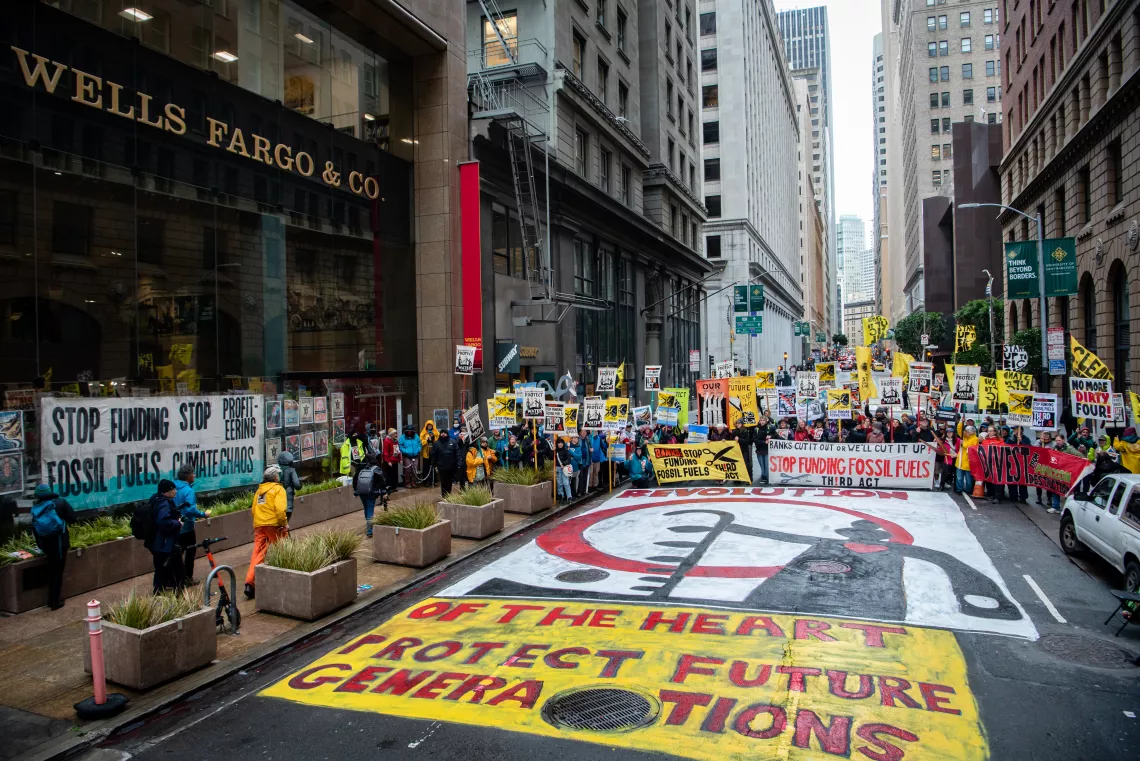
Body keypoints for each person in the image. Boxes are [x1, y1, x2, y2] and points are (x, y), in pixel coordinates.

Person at [29, 483, 77, 610]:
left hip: (45, 544)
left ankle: (51, 600)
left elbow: (35, 528)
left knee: (52, 570)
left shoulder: (36, 507)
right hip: (59, 542)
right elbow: (73, 518)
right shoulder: (60, 503)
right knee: (58, 571)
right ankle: (55, 601)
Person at [244, 466, 289, 599]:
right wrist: (284, 523)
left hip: (259, 525)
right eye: (278, 475)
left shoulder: (260, 491)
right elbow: (280, 510)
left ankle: (249, 583)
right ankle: (288, 578)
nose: (279, 477)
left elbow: (253, 509)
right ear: (275, 477)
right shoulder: (278, 489)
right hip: (274, 525)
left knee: (258, 554)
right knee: (284, 550)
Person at [174, 465, 210, 586]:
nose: (194, 476)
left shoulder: (172, 488)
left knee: (177, 554)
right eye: (193, 474)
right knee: (190, 553)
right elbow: (190, 510)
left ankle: (175, 579)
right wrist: (203, 514)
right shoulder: (188, 491)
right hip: (186, 528)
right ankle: (187, 578)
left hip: (173, 527)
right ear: (188, 476)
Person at [147, 480, 184, 594]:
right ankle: (176, 589)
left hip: (155, 542)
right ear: (166, 492)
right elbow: (163, 521)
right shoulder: (163, 504)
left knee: (160, 568)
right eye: (173, 489)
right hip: (165, 543)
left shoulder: (155, 499)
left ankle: (159, 589)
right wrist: (178, 523)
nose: (175, 491)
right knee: (175, 566)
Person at [353, 455, 385, 538]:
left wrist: (356, 492)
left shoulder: (360, 467)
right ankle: (369, 531)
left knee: (366, 508)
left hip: (361, 493)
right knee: (370, 510)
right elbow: (381, 481)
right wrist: (384, 492)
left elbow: (355, 480)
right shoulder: (376, 469)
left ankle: (368, 524)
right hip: (371, 493)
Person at [430, 430, 460, 496]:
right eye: (442, 433)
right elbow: (433, 454)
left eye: (445, 433)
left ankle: (449, 495)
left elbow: (457, 453)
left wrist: (458, 463)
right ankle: (444, 496)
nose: (443, 434)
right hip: (441, 466)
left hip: (451, 466)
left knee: (449, 482)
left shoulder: (453, 442)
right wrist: (433, 464)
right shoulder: (436, 443)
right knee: (443, 481)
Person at [277, 451, 302, 521]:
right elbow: (297, 485)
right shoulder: (291, 470)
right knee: (288, 511)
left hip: (277, 495)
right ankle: (285, 529)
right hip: (288, 494)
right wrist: (300, 485)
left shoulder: (276, 470)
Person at [382, 428, 401, 494]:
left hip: (395, 460)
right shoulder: (387, 441)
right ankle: (389, 487)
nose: (396, 435)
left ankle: (394, 487)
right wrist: (388, 461)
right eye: (394, 433)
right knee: (389, 475)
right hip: (390, 461)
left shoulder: (396, 441)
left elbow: (398, 450)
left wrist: (399, 459)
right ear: (391, 434)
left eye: (396, 433)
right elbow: (385, 452)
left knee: (395, 474)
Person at [754, 416, 772, 483]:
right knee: (761, 464)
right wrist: (764, 442)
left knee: (766, 464)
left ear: (766, 421)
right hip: (759, 449)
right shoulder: (756, 429)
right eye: (761, 420)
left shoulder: (770, 428)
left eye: (763, 420)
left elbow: (776, 435)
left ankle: (766, 477)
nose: (762, 422)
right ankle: (763, 475)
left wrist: (771, 436)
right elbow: (755, 439)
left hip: (767, 449)